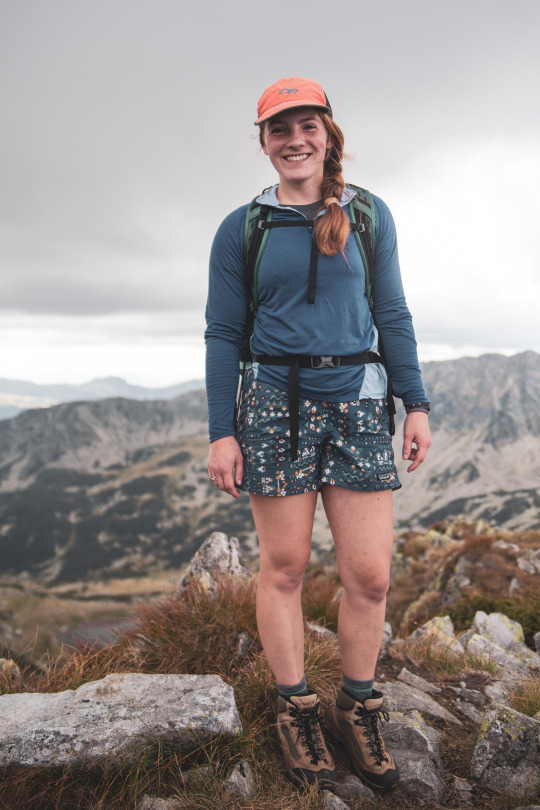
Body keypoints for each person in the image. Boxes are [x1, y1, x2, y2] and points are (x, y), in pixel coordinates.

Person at [204, 77, 431, 792]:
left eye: (308, 126)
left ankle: (357, 704)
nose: (295, 139)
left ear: (329, 134)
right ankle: (295, 707)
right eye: (280, 129)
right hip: (273, 406)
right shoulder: (243, 227)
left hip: (359, 404)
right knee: (285, 568)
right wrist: (221, 432)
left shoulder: (368, 214)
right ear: (264, 142)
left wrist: (416, 403)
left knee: (371, 576)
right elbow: (223, 334)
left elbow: (392, 312)